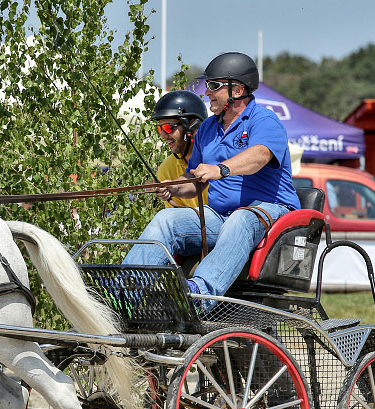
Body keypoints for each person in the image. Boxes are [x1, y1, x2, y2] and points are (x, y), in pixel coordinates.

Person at [124, 52, 300, 311]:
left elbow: (260, 155)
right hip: (220, 217)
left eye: (214, 86)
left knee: (241, 218)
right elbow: (194, 179)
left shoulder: (264, 120)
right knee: (166, 221)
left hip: (270, 212)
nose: (207, 92)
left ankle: (200, 296)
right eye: (207, 85)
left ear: (238, 90)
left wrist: (221, 169)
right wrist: (172, 187)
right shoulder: (207, 128)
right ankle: (126, 293)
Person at [149, 90, 209, 209]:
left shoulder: (217, 157)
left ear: (192, 125)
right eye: (160, 129)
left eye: (168, 128)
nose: (163, 136)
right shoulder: (165, 171)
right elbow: (177, 219)